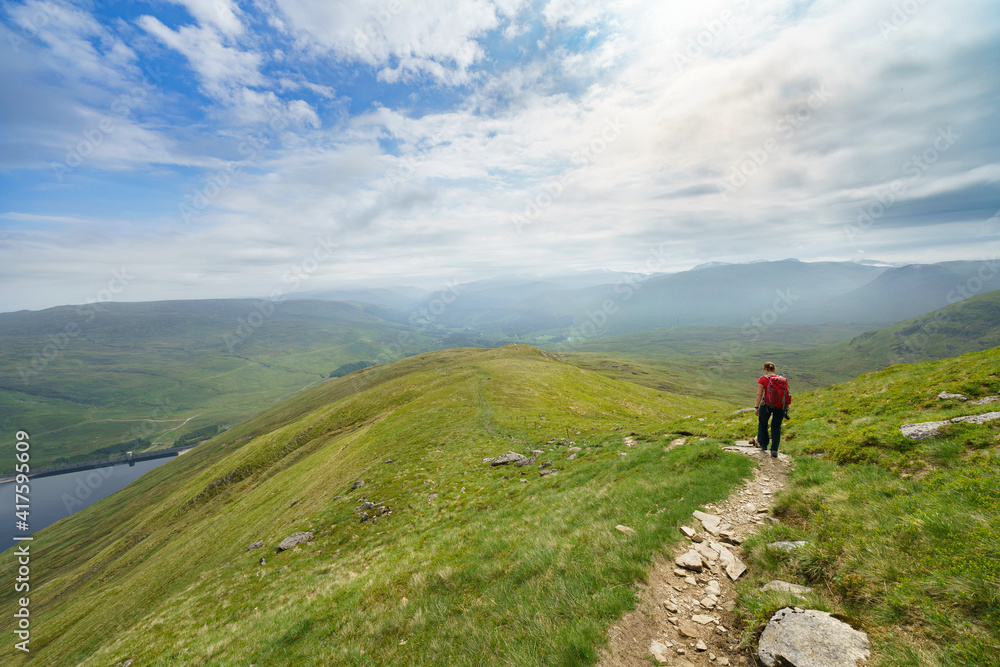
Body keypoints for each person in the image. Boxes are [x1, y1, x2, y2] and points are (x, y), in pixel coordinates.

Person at [755, 362, 787, 458]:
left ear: (764, 369)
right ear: (774, 369)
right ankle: (774, 449)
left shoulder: (763, 379)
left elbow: (759, 394)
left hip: (766, 405)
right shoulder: (782, 379)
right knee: (776, 427)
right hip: (780, 406)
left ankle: (763, 445)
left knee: (763, 423)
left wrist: (756, 407)